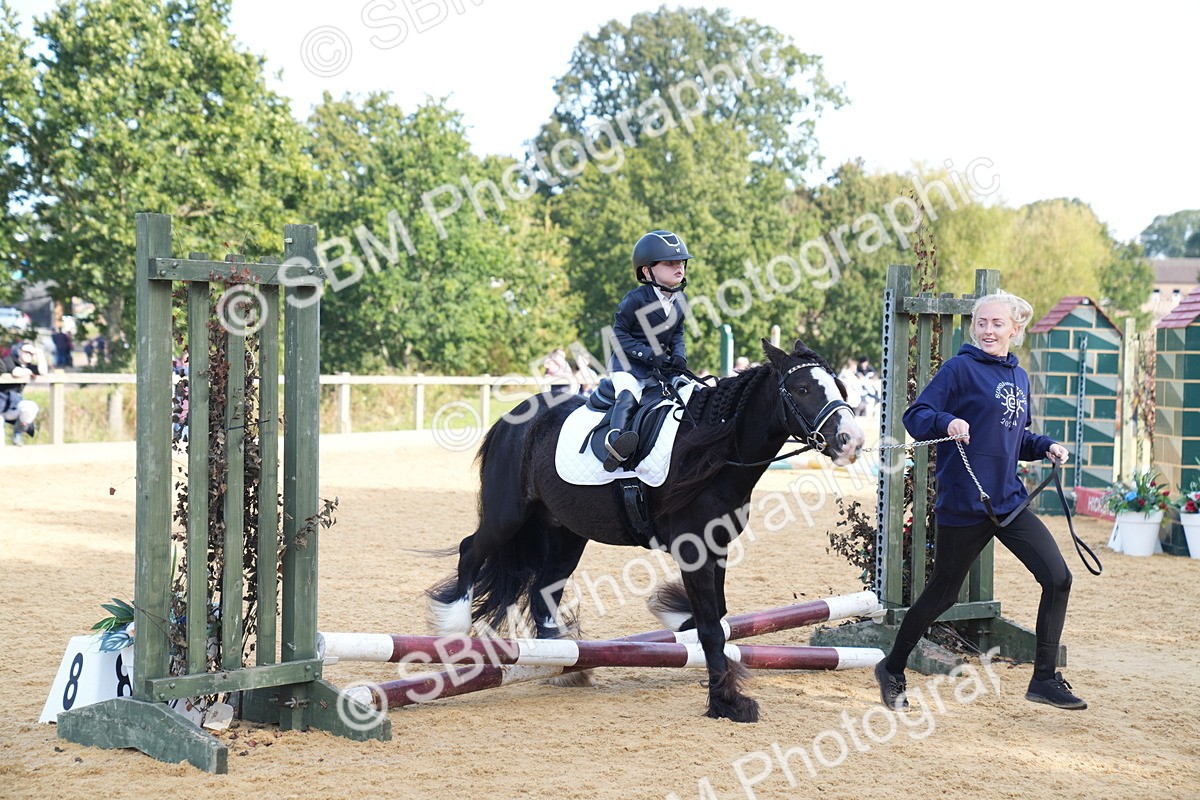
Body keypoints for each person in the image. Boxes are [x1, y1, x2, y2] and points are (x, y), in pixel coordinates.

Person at [874, 290, 1085, 711]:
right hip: (965, 504)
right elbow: (915, 417)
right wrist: (947, 420)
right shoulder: (958, 369)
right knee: (943, 595)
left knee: (1058, 578)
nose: (988, 330)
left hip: (1009, 502)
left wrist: (1045, 445)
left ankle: (1043, 679)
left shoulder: (1019, 377)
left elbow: (1014, 436)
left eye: (997, 323)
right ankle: (892, 667)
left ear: (1014, 329)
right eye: (982, 323)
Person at [595, 229, 691, 471]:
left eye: (681, 262)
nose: (679, 268)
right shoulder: (635, 299)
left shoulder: (681, 300)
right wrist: (647, 354)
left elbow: (677, 334)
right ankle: (615, 441)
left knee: (689, 392)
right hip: (628, 366)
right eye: (670, 263)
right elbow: (618, 335)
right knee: (629, 394)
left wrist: (679, 356)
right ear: (647, 271)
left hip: (658, 369)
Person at [1, 341, 45, 446]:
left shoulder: (29, 366)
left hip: (13, 404)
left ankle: (18, 433)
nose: (28, 354)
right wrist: (29, 372)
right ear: (19, 351)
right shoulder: (9, 359)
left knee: (31, 407)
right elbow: (16, 372)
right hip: (1, 402)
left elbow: (43, 371)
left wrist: (39, 353)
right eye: (25, 351)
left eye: (31, 353)